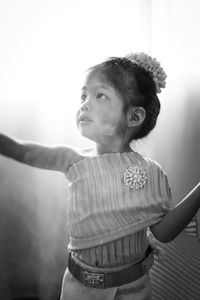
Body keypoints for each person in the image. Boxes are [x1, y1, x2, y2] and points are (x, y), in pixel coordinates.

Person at [0, 52, 200, 300]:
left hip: (134, 290)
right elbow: (24, 151)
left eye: (100, 96)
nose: (84, 103)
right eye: (83, 96)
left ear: (134, 117)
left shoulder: (151, 171)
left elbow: (162, 233)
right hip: (78, 288)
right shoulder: (72, 160)